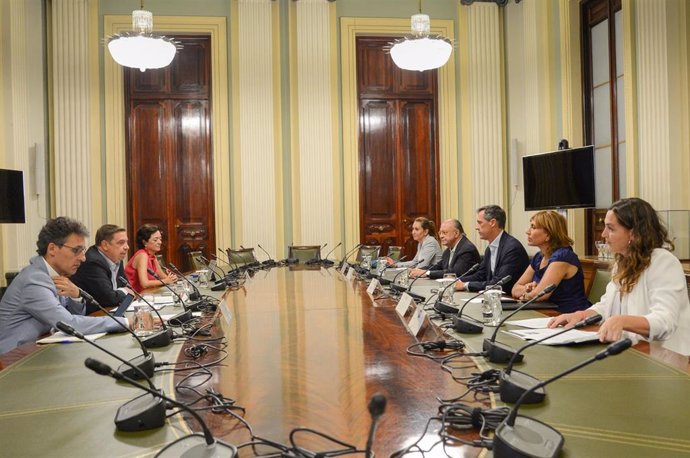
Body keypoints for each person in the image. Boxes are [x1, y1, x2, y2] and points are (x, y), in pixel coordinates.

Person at [549, 198, 690, 354]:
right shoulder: (622, 262)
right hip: (632, 351)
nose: (603, 234)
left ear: (634, 233)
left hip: (667, 359)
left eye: (611, 228)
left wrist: (622, 321)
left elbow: (665, 322)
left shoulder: (663, 262)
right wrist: (581, 315)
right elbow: (606, 305)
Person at [0, 217, 129, 354]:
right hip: (13, 360)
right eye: (76, 250)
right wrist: (124, 322)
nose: (83, 258)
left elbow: (72, 316)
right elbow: (69, 323)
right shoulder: (33, 280)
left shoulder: (56, 275)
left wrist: (76, 297)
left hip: (41, 351)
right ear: (52, 249)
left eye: (83, 251)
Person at [511, 211, 590, 312]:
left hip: (568, 316)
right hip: (546, 313)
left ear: (548, 234)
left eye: (533, 227)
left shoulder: (563, 257)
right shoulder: (538, 258)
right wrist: (528, 289)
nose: (528, 231)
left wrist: (528, 294)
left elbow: (540, 295)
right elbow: (515, 289)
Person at [455, 205, 529, 293]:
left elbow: (499, 283)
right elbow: (480, 275)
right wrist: (456, 281)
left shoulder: (512, 248)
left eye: (480, 222)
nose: (476, 227)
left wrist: (465, 285)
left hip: (510, 299)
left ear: (492, 222)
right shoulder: (490, 249)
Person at [70, 224, 132, 314]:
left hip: (111, 311)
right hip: (92, 315)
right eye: (121, 243)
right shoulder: (92, 262)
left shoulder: (117, 258)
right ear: (105, 245)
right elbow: (109, 298)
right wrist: (125, 291)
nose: (127, 247)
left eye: (126, 242)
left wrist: (125, 291)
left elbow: (129, 288)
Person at [409, 219, 481, 279]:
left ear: (456, 233)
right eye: (440, 233)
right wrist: (418, 270)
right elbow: (438, 266)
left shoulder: (467, 249)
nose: (441, 236)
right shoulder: (448, 251)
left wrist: (426, 273)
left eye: (444, 233)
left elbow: (455, 273)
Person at [124, 224, 177, 292]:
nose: (160, 242)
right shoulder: (142, 255)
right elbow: (144, 283)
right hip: (136, 297)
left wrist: (172, 279)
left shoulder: (152, 256)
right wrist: (166, 281)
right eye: (155, 240)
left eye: (160, 239)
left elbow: (162, 276)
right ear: (144, 242)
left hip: (149, 294)